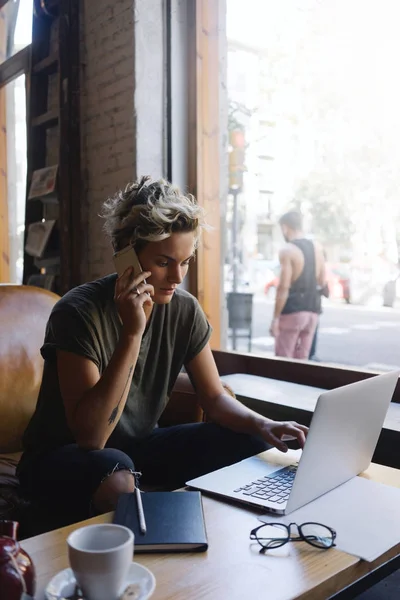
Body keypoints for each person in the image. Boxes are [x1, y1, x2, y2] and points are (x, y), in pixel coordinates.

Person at [17, 177, 308, 526]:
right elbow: (92, 437)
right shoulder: (77, 313)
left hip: (138, 446)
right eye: (164, 261)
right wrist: (132, 333)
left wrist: (265, 424)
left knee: (246, 441)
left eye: (185, 262)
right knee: (115, 471)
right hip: (63, 458)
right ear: (126, 255)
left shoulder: (184, 310)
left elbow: (214, 399)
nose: (177, 276)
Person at [270, 211, 326, 360]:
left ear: (285, 227)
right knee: (303, 361)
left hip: (292, 312)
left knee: (284, 361)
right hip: (312, 311)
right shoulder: (317, 248)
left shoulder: (287, 251)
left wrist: (275, 319)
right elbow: (322, 281)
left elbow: (283, 288)